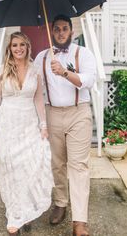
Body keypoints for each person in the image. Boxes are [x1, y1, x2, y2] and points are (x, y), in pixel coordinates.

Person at [0, 32, 53, 235]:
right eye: (14, 45)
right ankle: (15, 215)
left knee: (29, 168)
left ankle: (25, 210)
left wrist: (43, 125)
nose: (18, 48)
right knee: (9, 171)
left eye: (22, 44)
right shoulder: (1, 70)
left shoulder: (35, 70)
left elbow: (38, 99)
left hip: (29, 125)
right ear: (9, 49)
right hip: (7, 126)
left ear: (28, 47)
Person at [35, 14, 96, 236]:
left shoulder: (83, 53)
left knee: (78, 166)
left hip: (78, 113)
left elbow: (88, 80)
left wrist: (64, 72)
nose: (61, 32)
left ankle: (80, 221)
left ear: (71, 31)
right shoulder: (42, 57)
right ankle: (61, 202)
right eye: (57, 29)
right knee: (57, 164)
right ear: (52, 32)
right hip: (52, 114)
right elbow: (33, 86)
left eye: (65, 29)